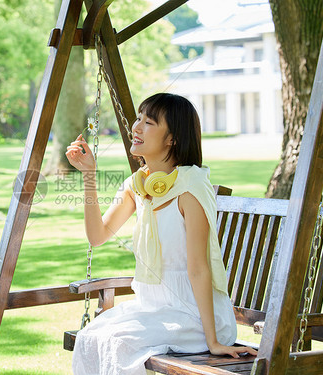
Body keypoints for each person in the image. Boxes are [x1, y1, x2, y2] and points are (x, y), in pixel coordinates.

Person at [65, 93, 257, 375]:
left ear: (172, 139)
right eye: (138, 118)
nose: (137, 127)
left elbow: (198, 269)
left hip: (194, 315)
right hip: (154, 309)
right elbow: (97, 236)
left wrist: (213, 340)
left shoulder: (191, 186)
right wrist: (89, 175)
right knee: (90, 337)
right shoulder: (138, 184)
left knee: (119, 343)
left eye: (149, 122)